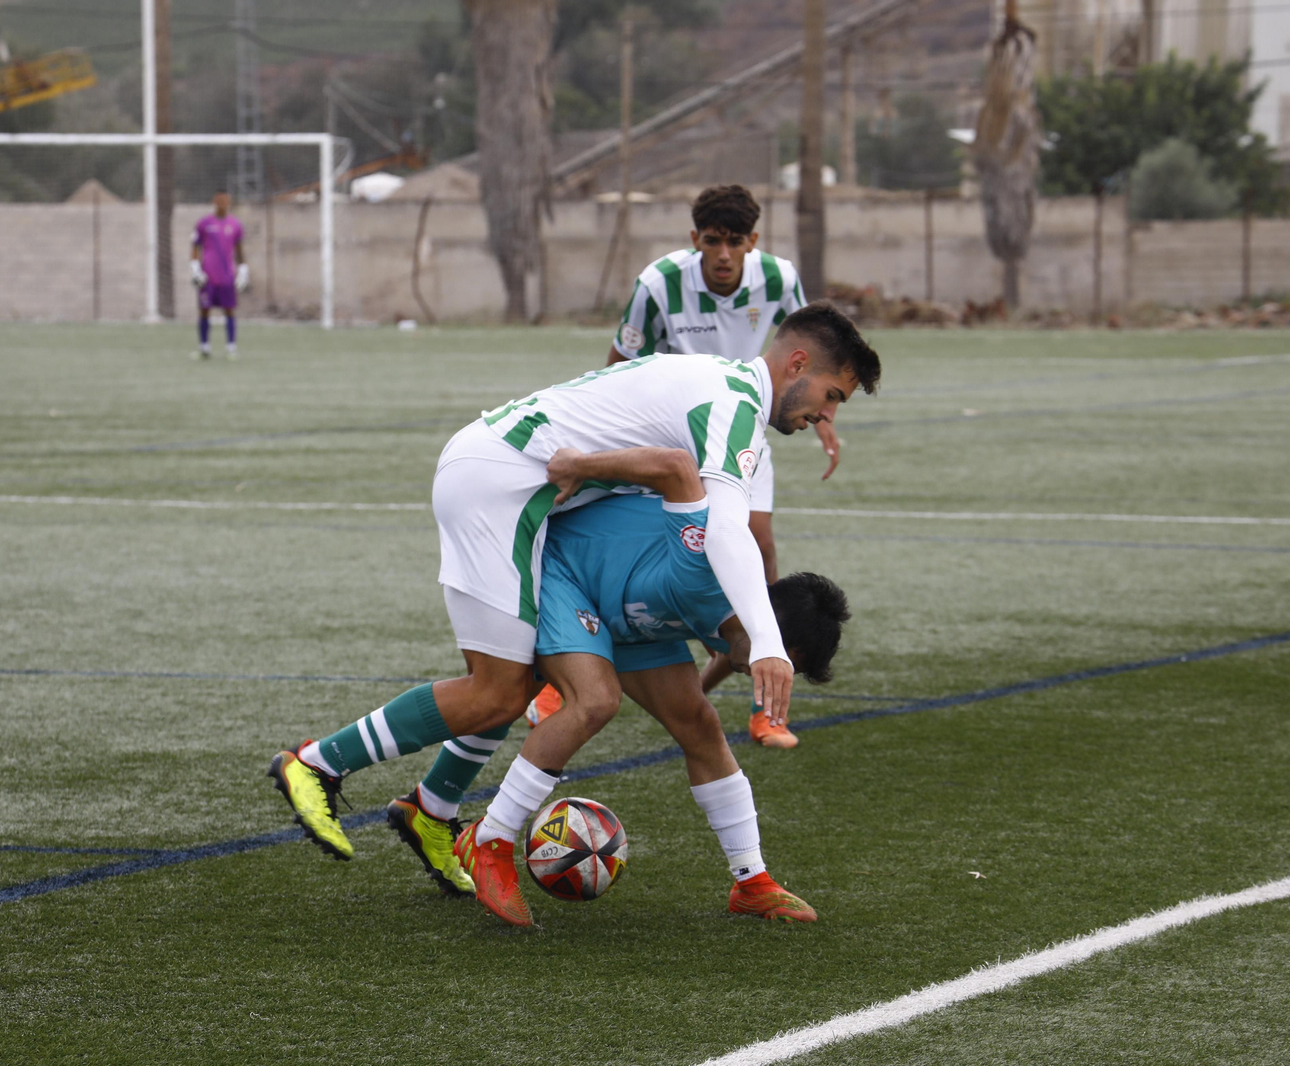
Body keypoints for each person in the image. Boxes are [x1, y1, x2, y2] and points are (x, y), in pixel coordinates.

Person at [268, 302, 880, 877]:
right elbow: (724, 526)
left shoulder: (721, 386)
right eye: (831, 397)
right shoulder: (734, 406)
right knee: (496, 691)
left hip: (518, 487)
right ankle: (316, 763)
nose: (826, 416)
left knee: (527, 673)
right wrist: (769, 643)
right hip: (506, 489)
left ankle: (432, 809)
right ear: (797, 364)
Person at [442, 445, 850, 926]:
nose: (769, 673)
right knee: (594, 701)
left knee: (699, 724)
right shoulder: (705, 566)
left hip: (634, 615)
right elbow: (675, 470)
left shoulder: (743, 617)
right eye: (778, 662)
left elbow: (726, 651)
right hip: (562, 569)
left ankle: (752, 882)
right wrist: (581, 465)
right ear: (770, 633)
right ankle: (489, 839)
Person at [528, 185, 844, 748]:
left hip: (747, 425)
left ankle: (764, 699)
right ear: (695, 239)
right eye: (714, 242)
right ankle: (564, 668)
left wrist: (823, 418)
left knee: (757, 548)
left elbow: (811, 357)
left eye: (737, 243)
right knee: (644, 551)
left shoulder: (779, 279)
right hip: (675, 434)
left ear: (754, 242)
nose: (724, 255)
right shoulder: (657, 283)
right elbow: (621, 362)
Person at [190, 189, 249, 360]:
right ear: (214, 201)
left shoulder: (236, 225)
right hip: (208, 276)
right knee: (204, 311)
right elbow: (195, 247)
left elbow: (239, 251)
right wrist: (195, 269)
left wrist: (243, 270)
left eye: (226, 201)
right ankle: (204, 347)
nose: (223, 204)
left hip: (227, 276)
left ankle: (231, 347)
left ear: (229, 202)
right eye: (219, 200)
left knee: (229, 311)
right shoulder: (203, 224)